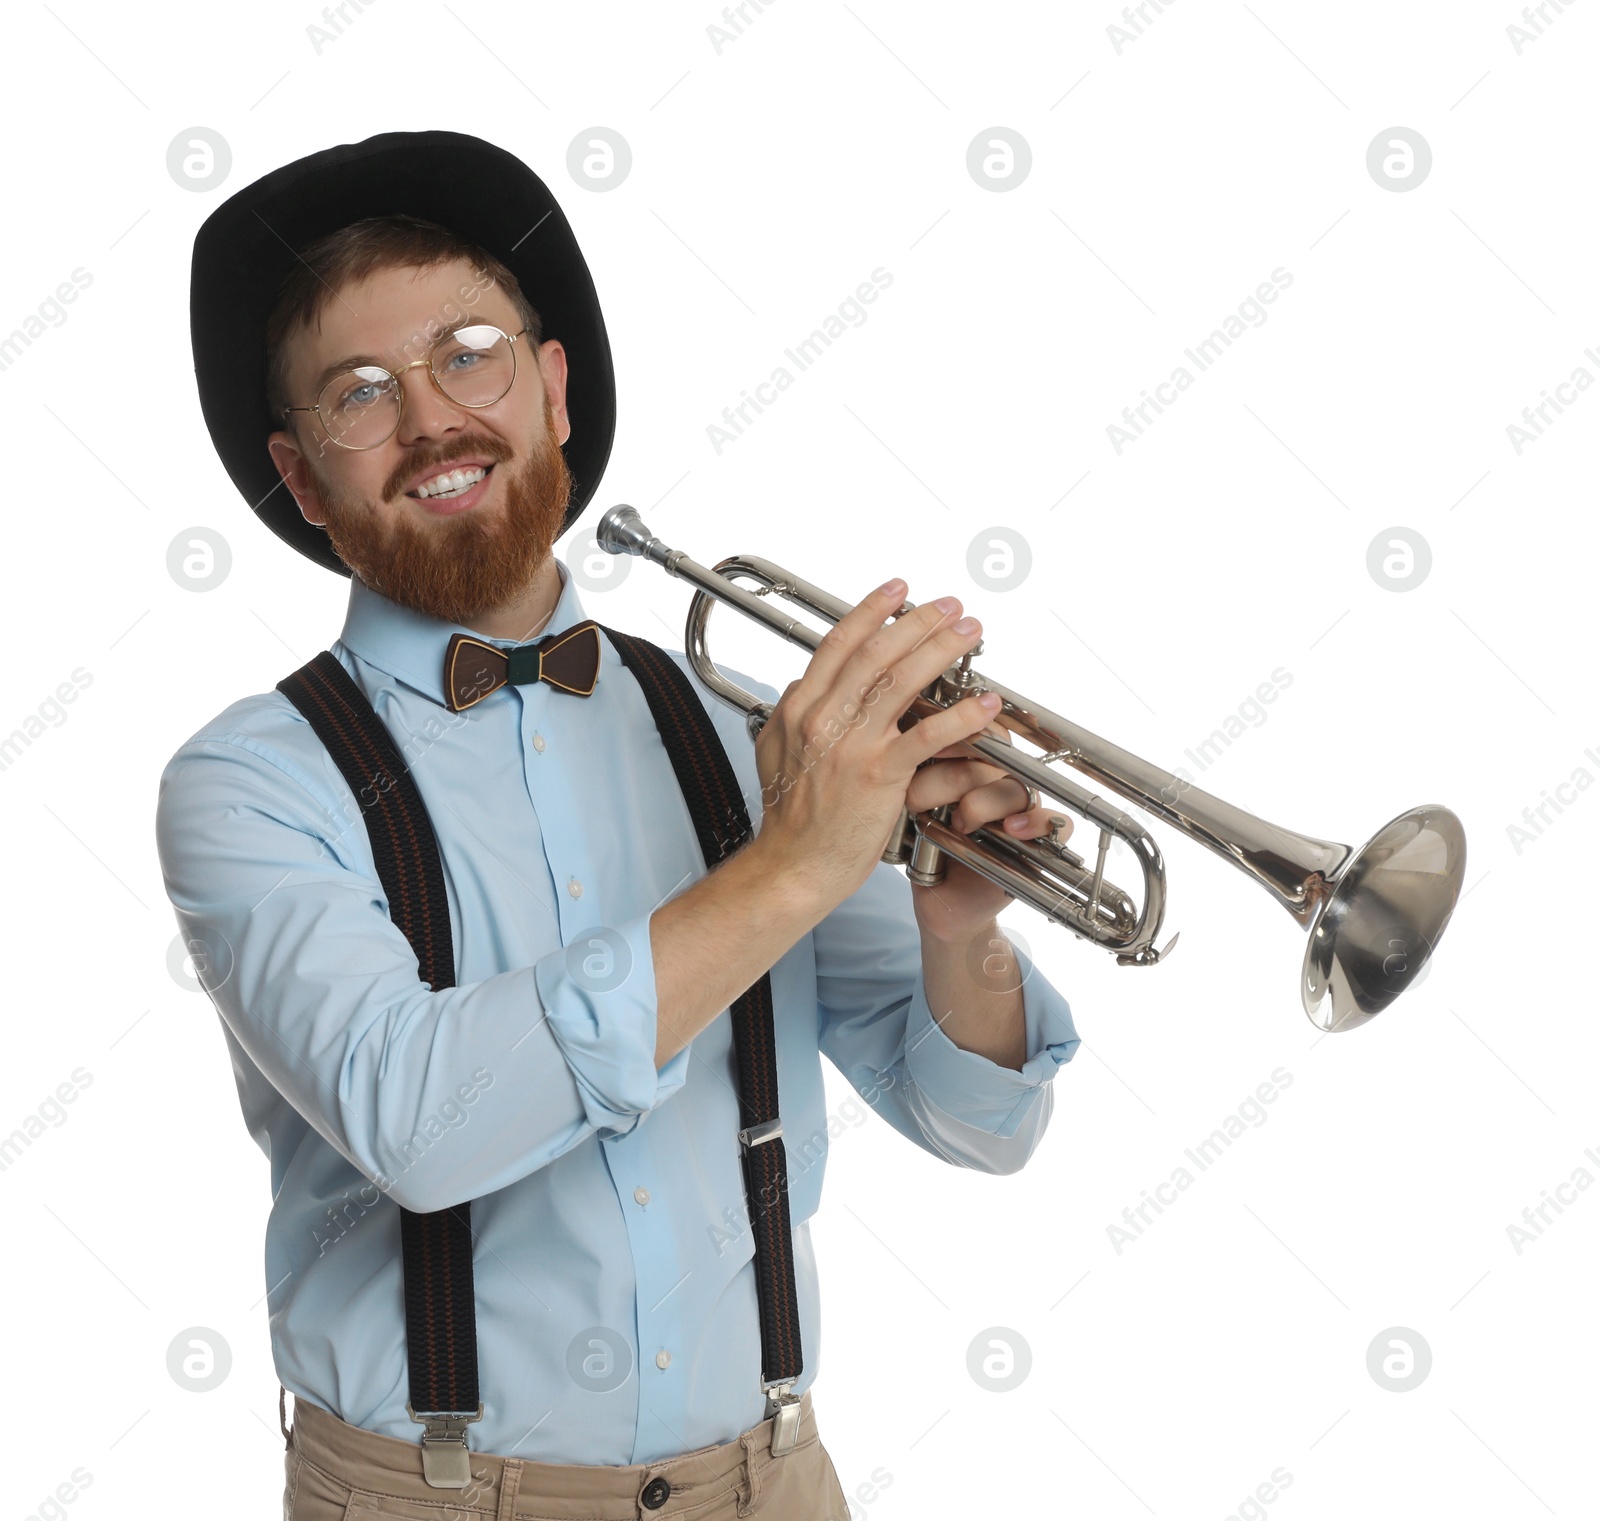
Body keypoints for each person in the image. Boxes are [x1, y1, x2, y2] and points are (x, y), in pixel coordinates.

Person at [158, 130, 1082, 1521]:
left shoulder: (736, 731)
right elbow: (421, 1123)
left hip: (773, 1482)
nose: (430, 420)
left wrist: (966, 929)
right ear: (303, 481)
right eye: (361, 392)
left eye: (468, 350)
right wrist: (791, 866)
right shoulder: (249, 780)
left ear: (554, 388)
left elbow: (981, 1126)